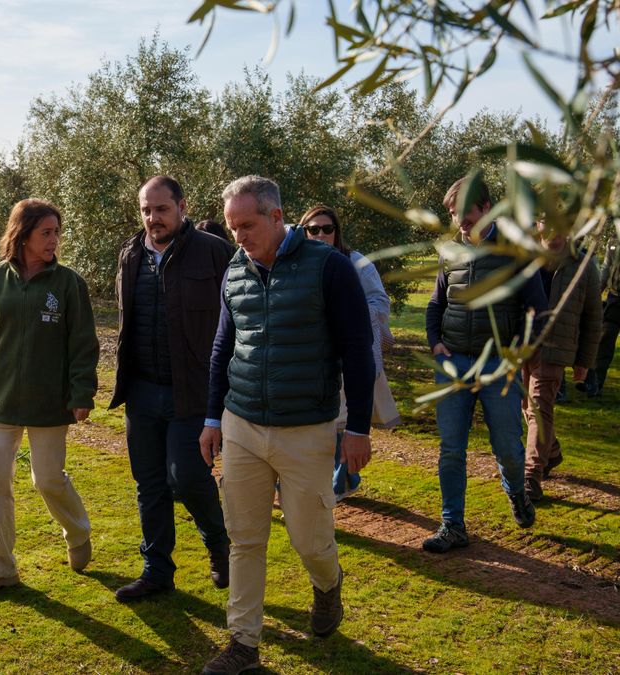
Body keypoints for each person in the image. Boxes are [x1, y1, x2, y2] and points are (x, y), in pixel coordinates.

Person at [198, 176, 376, 674]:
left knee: (308, 539)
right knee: (245, 538)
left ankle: (327, 583)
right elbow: (221, 349)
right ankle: (243, 644)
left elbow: (357, 354)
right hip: (242, 425)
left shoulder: (329, 268)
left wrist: (358, 428)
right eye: (233, 227)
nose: (239, 236)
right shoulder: (235, 270)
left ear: (277, 217)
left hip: (307, 430)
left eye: (247, 225)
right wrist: (214, 417)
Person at [0, 198, 100, 596]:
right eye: (45, 233)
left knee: (47, 479)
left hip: (50, 401)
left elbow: (83, 343)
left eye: (56, 232)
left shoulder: (68, 283)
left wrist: (82, 390)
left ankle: (77, 531)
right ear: (23, 235)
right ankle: (0, 565)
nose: (54, 240)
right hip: (0, 401)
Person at [108, 175, 234, 602]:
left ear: (182, 206)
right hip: (142, 390)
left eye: (160, 209)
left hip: (194, 391)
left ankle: (219, 545)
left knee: (188, 477)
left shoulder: (215, 252)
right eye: (145, 210)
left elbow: (237, 318)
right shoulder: (130, 255)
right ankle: (157, 570)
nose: (152, 218)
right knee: (150, 484)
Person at [423, 177, 547, 554]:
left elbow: (538, 311)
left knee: (508, 448)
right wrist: (436, 343)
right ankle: (453, 525)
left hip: (497, 366)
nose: (460, 220)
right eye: (453, 213)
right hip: (454, 362)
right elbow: (435, 305)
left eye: (466, 212)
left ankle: (516, 492)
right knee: (451, 449)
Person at [301, 205, 399, 501]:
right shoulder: (299, 264)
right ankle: (347, 478)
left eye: (326, 229)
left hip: (348, 353)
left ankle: (340, 480)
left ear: (336, 232)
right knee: (323, 422)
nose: (320, 234)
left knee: (342, 422)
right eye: (313, 229)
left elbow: (380, 302)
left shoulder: (356, 263)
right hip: (313, 356)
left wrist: (351, 315)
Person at [521, 221, 602, 499]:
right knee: (525, 406)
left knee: (540, 407)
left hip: (556, 348)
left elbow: (593, 318)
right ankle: (551, 452)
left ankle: (531, 475)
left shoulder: (584, 264)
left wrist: (585, 362)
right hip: (521, 344)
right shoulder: (524, 254)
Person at [585, 239, 619, 396]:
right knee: (604, 341)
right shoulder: (614, 242)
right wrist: (596, 292)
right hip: (614, 299)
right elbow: (606, 268)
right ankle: (596, 384)